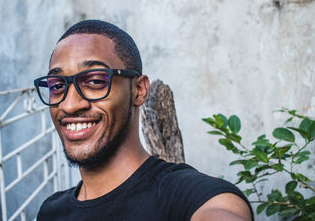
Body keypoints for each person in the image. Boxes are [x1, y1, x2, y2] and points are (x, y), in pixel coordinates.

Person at [34, 20, 253, 220]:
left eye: (95, 81)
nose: (70, 104)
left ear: (139, 90)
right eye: (57, 86)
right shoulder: (51, 211)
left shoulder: (186, 195)